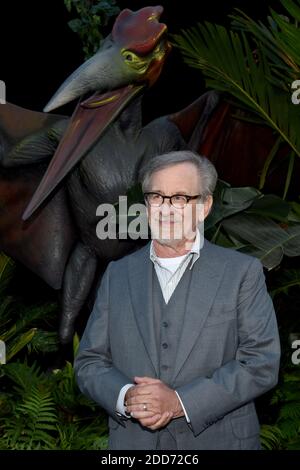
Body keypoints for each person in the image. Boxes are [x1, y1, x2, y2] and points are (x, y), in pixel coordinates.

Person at [74, 150, 281, 450]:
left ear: (205, 206)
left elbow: (260, 362)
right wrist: (126, 396)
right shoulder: (117, 275)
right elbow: (89, 362)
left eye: (181, 197)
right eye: (157, 196)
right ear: (146, 205)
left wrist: (179, 402)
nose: (166, 208)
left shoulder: (241, 272)